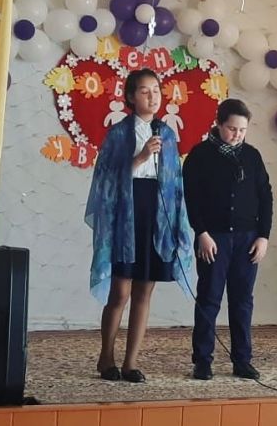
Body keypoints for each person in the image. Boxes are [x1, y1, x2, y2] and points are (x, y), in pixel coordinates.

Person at [85, 68, 194, 383]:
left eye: (156, 90)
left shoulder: (167, 134)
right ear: (131, 97)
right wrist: (141, 156)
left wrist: (177, 223)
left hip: (156, 216)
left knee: (145, 290)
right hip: (126, 215)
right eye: (145, 91)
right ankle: (106, 357)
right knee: (120, 291)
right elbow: (105, 180)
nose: (153, 96)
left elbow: (174, 183)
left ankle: (131, 363)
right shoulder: (119, 134)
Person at [182, 98, 273, 381]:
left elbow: (265, 197)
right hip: (213, 238)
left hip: (247, 239)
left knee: (242, 300)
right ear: (219, 124)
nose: (237, 135)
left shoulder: (252, 156)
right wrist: (201, 233)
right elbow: (191, 198)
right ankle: (202, 360)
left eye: (242, 130)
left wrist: (263, 236)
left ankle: (242, 360)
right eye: (232, 129)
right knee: (209, 298)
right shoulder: (199, 155)